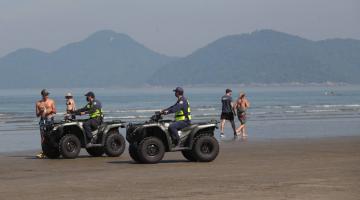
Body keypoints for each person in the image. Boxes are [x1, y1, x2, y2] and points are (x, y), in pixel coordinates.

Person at [35, 89, 57, 158]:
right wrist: (41, 111)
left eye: (47, 94)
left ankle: (53, 150)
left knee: (51, 135)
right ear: (42, 95)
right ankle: (44, 151)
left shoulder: (51, 101)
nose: (47, 96)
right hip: (42, 120)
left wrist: (49, 110)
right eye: (45, 94)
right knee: (42, 136)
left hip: (50, 119)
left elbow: (55, 111)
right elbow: (37, 115)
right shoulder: (38, 103)